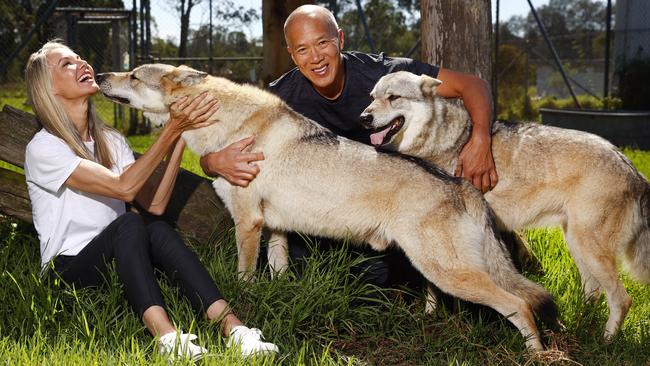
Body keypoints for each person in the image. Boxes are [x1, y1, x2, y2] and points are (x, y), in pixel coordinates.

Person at [199, 5, 498, 288]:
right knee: (317, 276)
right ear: (292, 55)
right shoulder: (280, 97)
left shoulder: (382, 75)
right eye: (302, 49)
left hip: (383, 203)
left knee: (399, 271)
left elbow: (471, 85)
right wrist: (211, 163)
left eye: (323, 43)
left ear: (340, 39)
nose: (315, 57)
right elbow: (231, 147)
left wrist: (481, 139)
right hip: (319, 214)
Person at [24, 40, 278, 362]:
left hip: (122, 256)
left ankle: (236, 330)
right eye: (67, 64)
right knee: (129, 221)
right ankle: (168, 339)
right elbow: (124, 189)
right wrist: (172, 129)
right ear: (48, 87)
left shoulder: (112, 141)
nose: (82, 63)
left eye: (79, 57)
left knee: (155, 226)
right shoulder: (44, 147)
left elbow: (155, 204)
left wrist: (182, 135)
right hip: (69, 272)